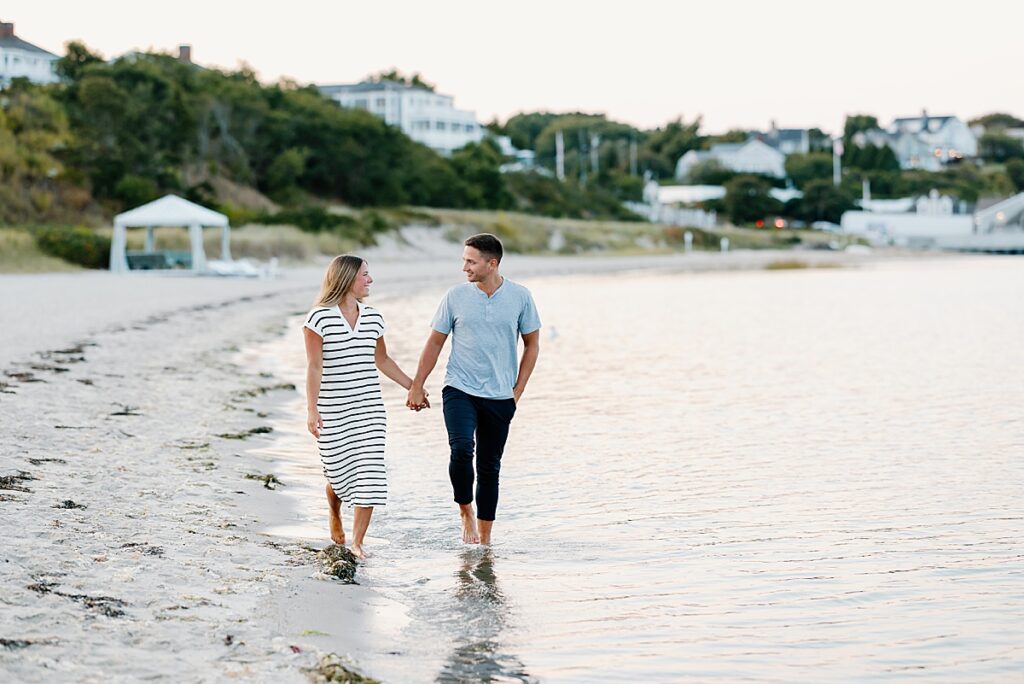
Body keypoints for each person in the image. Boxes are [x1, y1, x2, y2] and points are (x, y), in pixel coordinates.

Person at [406, 234, 540, 545]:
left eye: (471, 261)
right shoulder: (455, 297)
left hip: (500, 396)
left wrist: (517, 390)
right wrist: (417, 384)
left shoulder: (520, 297)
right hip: (459, 388)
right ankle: (465, 508)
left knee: (490, 467)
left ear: (492, 264)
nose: (464, 266)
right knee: (462, 449)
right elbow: (435, 343)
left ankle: (485, 541)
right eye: (464, 259)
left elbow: (532, 344)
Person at [303, 255, 425, 559]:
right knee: (339, 473)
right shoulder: (318, 319)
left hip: (369, 409)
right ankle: (334, 510)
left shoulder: (374, 318)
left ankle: (358, 542)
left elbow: (382, 360)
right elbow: (314, 367)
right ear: (346, 279)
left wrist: (413, 386)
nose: (370, 280)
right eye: (365, 275)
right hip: (333, 409)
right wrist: (312, 409)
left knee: (369, 473)